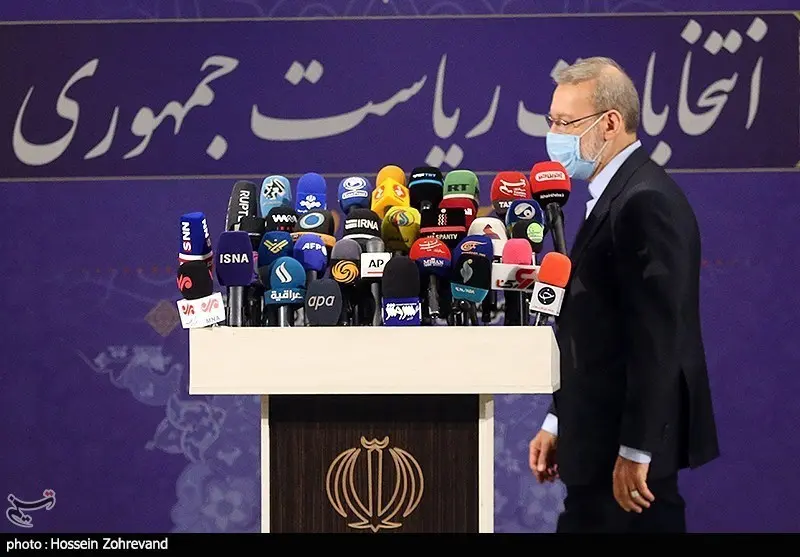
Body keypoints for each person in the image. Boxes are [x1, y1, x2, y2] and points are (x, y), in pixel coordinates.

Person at [528, 57, 720, 533]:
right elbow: (595, 332)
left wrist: (637, 449)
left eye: (565, 123)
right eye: (551, 121)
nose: (554, 135)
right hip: (594, 446)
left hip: (624, 460)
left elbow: (657, 338)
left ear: (610, 123)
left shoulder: (644, 201)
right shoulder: (615, 194)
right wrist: (557, 421)